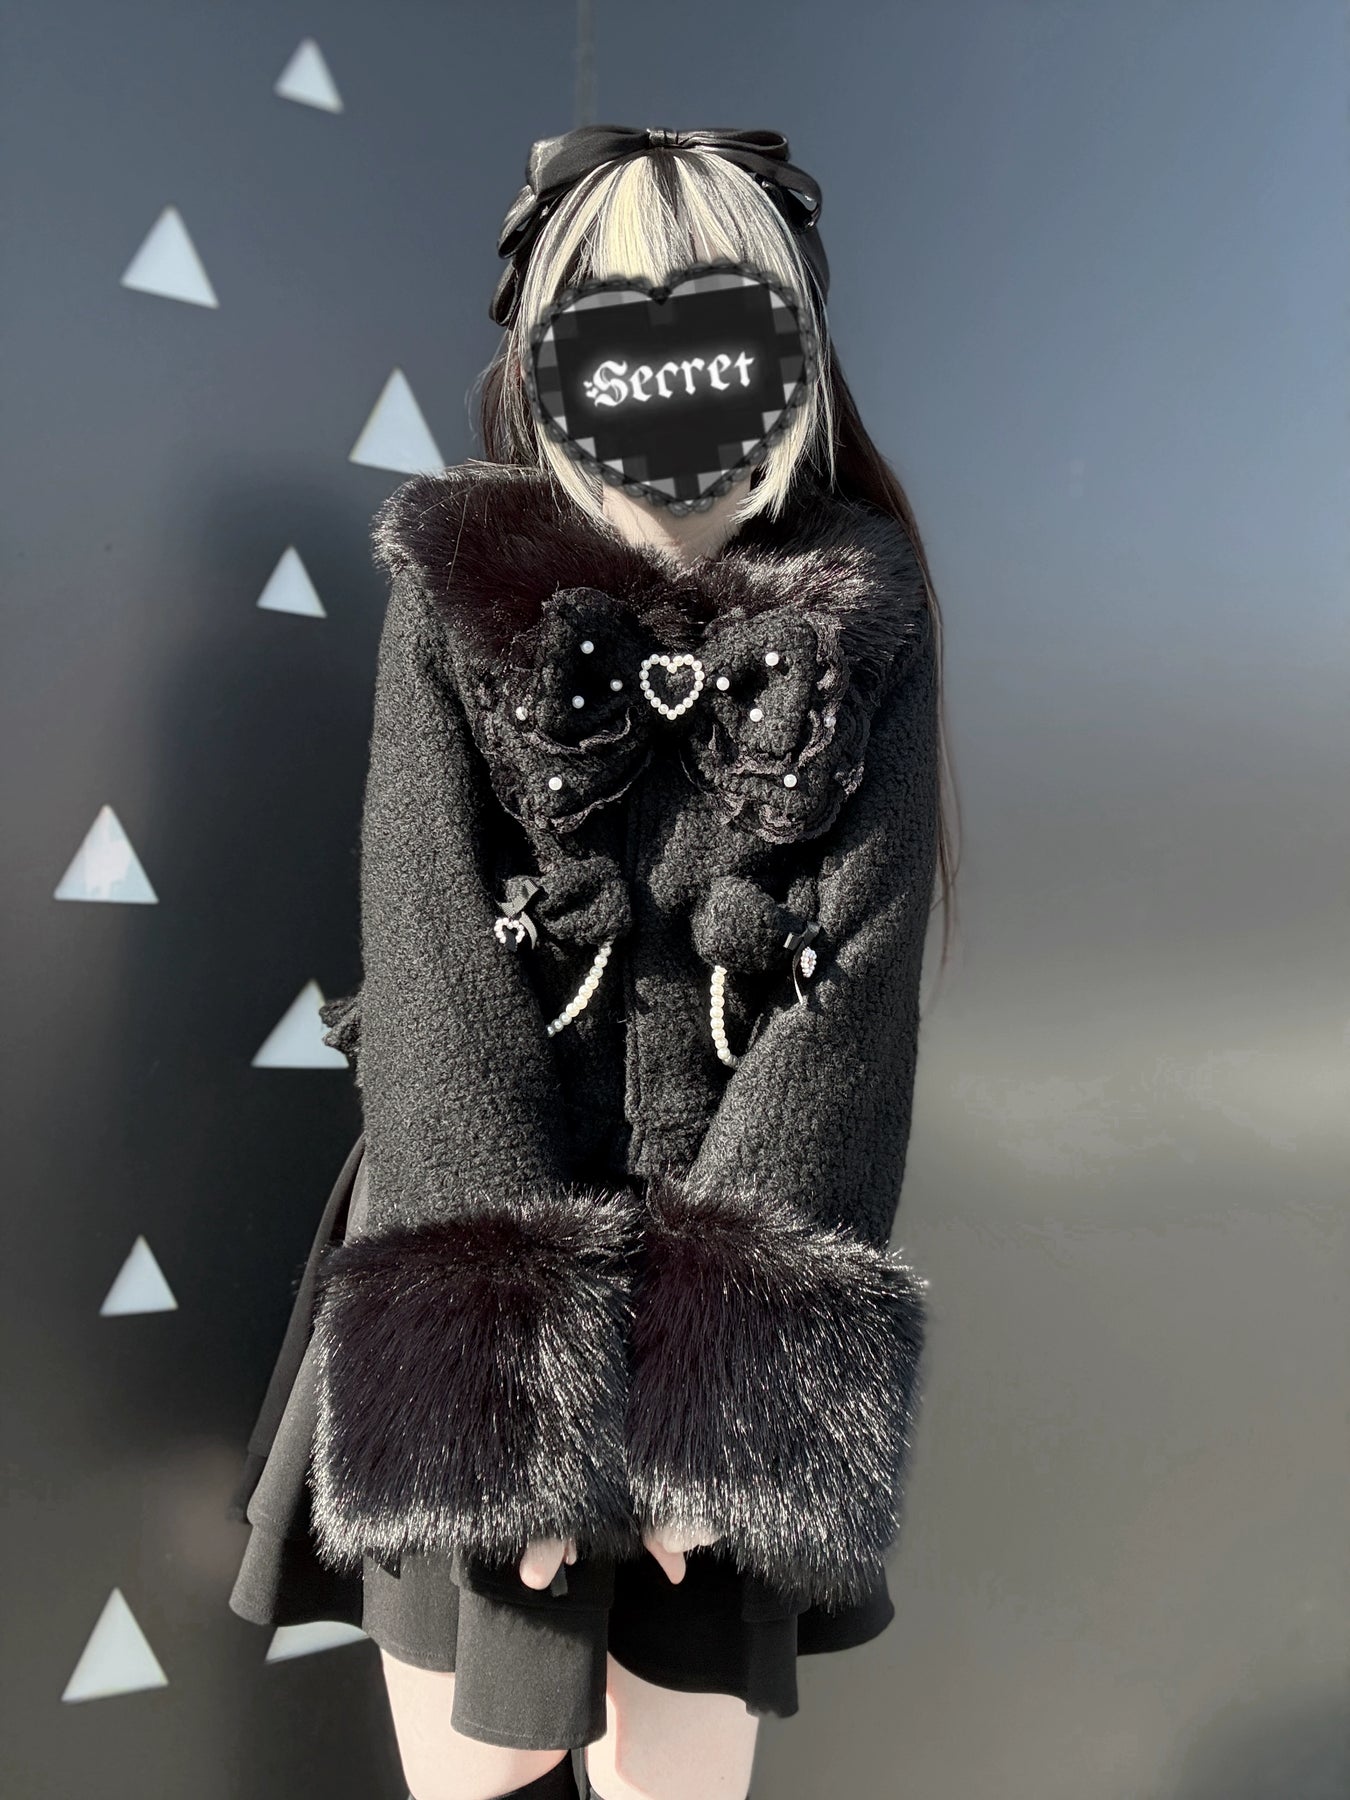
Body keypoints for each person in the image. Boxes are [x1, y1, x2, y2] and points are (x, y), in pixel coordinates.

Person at [227, 123, 958, 1800]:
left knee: (672, 1772)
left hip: (740, 1250)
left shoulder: (865, 610)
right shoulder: (456, 591)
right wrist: (505, 1410)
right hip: (472, 1237)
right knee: (473, 1765)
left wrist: (725, 1400)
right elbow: (429, 954)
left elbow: (850, 1005)